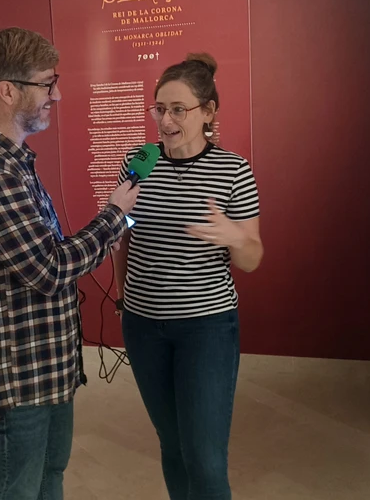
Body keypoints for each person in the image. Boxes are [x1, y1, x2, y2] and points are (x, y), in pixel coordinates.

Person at [0, 27, 140, 500]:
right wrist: (116, 216)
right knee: (13, 489)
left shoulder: (11, 162)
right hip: (16, 383)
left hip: (43, 373)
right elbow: (48, 269)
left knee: (47, 481)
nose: (58, 94)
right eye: (48, 84)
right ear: (8, 90)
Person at [111, 53, 263, 500]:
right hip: (142, 326)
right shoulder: (138, 161)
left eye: (179, 109)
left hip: (207, 327)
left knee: (205, 457)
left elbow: (251, 259)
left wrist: (235, 236)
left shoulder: (233, 170)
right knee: (173, 444)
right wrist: (123, 296)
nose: (166, 120)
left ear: (209, 112)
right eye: (160, 108)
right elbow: (123, 237)